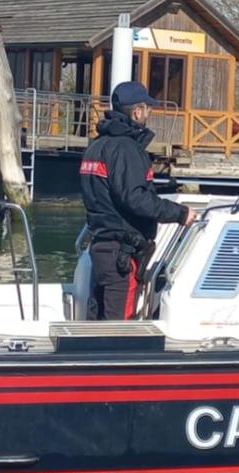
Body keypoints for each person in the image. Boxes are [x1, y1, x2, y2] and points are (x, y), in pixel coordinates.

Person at [79, 81, 197, 319]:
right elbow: (135, 198)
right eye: (148, 109)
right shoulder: (126, 149)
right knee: (118, 327)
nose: (149, 113)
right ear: (137, 111)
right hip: (121, 253)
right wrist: (180, 213)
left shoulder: (96, 146)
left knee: (96, 320)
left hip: (100, 246)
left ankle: (93, 353)